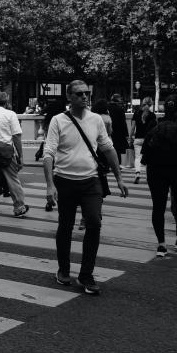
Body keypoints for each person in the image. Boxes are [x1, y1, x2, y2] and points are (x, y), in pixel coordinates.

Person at [43, 80, 128, 295]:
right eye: (79, 94)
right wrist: (50, 185)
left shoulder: (96, 119)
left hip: (91, 181)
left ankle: (86, 274)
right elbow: (49, 153)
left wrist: (119, 177)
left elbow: (108, 148)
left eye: (86, 93)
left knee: (94, 222)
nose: (84, 97)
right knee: (66, 225)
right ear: (69, 97)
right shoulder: (58, 121)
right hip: (65, 180)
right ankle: (63, 269)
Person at [141, 94, 177, 256]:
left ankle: (161, 245)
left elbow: (144, 156)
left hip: (156, 172)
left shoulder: (155, 126)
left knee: (158, 207)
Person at [0, 91, 29, 217]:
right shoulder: (10, 114)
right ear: (7, 102)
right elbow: (16, 136)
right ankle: (19, 207)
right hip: (6, 153)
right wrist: (21, 156)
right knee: (12, 179)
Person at [129, 97, 157, 184]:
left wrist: (130, 138)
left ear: (142, 103)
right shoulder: (153, 115)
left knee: (138, 157)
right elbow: (155, 129)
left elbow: (133, 128)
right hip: (148, 140)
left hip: (138, 139)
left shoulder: (136, 113)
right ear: (151, 104)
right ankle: (148, 177)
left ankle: (137, 173)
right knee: (149, 158)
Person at [109, 94, 130, 165]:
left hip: (108, 132)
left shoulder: (107, 108)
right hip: (118, 132)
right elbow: (123, 123)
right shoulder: (120, 109)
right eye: (120, 99)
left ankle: (109, 164)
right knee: (117, 149)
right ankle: (117, 164)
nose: (121, 100)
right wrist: (126, 134)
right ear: (117, 100)